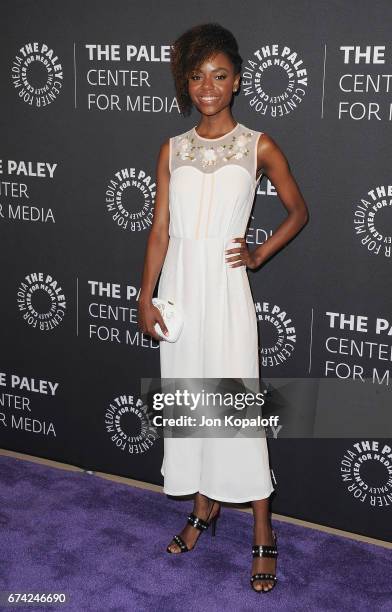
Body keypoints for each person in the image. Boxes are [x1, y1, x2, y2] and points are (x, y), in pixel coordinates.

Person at [138, 22, 309, 593]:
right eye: (196, 77)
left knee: (235, 407)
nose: (208, 87)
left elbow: (297, 210)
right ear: (185, 84)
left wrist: (259, 251)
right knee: (191, 403)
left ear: (236, 81)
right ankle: (204, 506)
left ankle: (264, 527)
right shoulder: (173, 147)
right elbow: (161, 229)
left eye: (219, 76)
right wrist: (145, 293)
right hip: (181, 287)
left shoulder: (258, 144)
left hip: (228, 288)